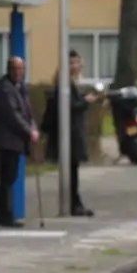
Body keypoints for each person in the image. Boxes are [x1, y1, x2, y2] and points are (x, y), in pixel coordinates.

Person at [40, 49, 96, 217]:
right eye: (71, 63)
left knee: (73, 170)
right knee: (71, 170)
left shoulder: (69, 83)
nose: (75, 66)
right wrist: (85, 102)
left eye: (77, 62)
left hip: (72, 134)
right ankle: (73, 204)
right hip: (68, 135)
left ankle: (75, 202)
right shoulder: (63, 84)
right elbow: (67, 106)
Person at [0, 56, 39, 228]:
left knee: (11, 176)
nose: (18, 72)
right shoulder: (4, 89)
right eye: (15, 69)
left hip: (15, 140)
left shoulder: (20, 87)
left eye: (21, 69)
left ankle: (5, 213)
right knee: (7, 178)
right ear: (8, 69)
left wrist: (32, 127)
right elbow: (13, 116)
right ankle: (4, 214)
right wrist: (28, 131)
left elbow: (27, 111)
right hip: (7, 140)